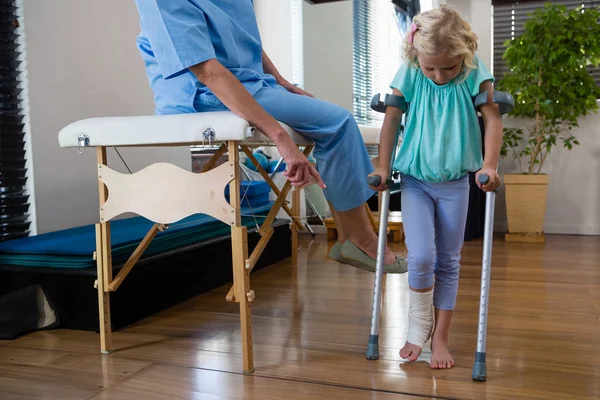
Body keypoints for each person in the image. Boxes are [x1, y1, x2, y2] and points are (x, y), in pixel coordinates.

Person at [132, 0, 406, 273]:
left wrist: (282, 82)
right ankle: (362, 240)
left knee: (335, 121)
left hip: (247, 82)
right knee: (338, 122)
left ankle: (352, 238)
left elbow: (246, 40)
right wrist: (279, 136)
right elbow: (207, 72)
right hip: (201, 92)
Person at [368, 5, 503, 369]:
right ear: (416, 55)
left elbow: (492, 120)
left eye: (449, 67)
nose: (440, 76)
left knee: (448, 261)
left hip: (456, 182)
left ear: (465, 53)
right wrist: (383, 166)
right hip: (414, 181)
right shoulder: (411, 72)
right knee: (422, 256)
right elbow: (392, 119)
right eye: (431, 68)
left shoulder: (475, 74)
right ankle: (418, 327)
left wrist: (489, 164)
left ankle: (439, 339)